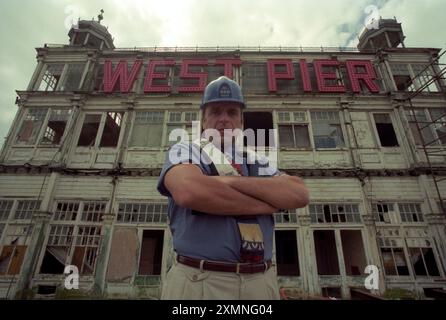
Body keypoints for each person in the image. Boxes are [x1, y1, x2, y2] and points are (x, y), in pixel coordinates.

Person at [157, 76, 309, 300]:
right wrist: (268, 203)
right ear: (203, 120)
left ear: (241, 122)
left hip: (260, 282)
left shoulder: (256, 160)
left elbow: (299, 193)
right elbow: (189, 191)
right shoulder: (185, 151)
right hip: (200, 282)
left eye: (231, 112)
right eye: (216, 111)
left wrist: (226, 182)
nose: (224, 119)